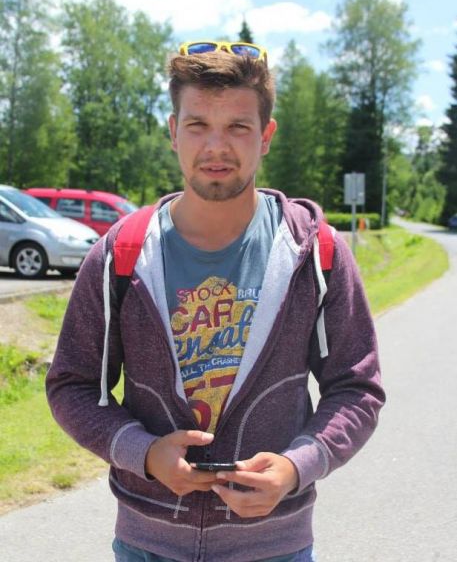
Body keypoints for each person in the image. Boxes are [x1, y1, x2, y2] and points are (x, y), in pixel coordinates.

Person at [46, 40, 385, 562]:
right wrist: (144, 453)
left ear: (266, 136)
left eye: (238, 127)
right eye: (198, 124)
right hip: (146, 545)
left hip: (276, 547)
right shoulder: (120, 254)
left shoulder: (316, 253)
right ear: (173, 132)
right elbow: (72, 385)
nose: (216, 146)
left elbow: (356, 388)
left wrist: (296, 467)